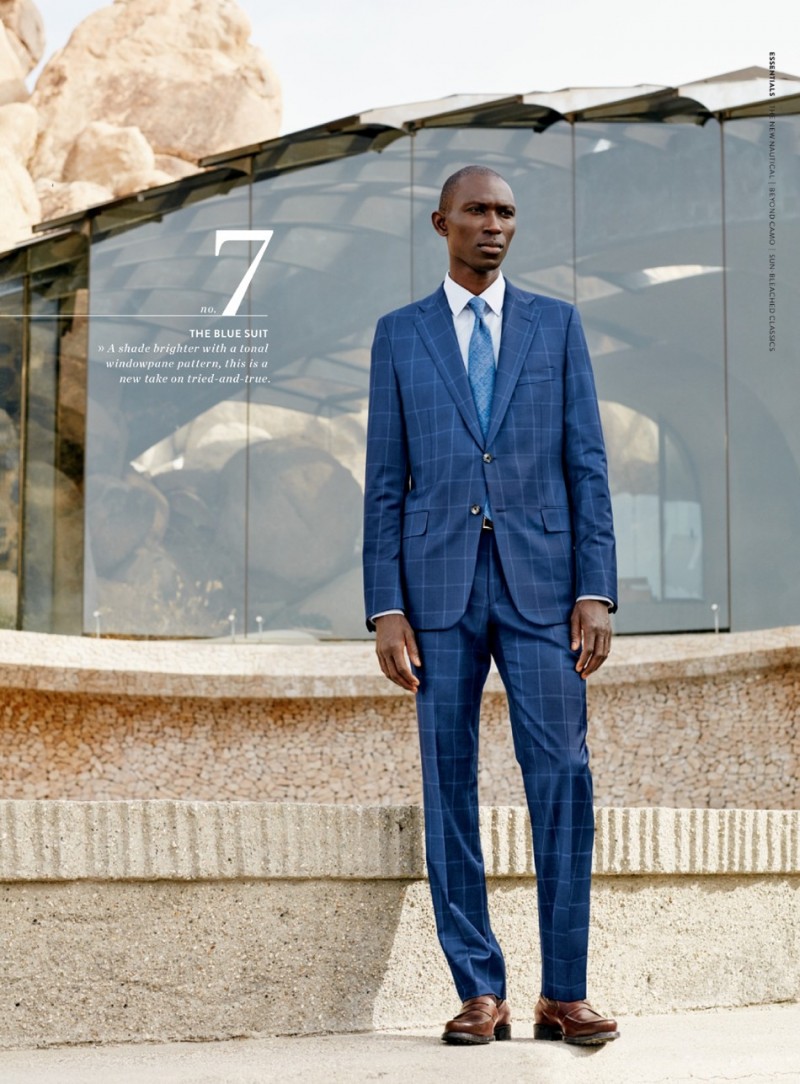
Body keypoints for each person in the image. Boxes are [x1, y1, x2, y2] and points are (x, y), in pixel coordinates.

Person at [362, 165, 619, 1047]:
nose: (494, 225)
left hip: (546, 591)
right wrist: (384, 606)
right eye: (477, 211)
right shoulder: (399, 336)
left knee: (565, 779)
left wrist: (595, 588)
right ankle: (480, 990)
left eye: (506, 212)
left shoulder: (557, 326)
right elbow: (384, 483)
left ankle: (565, 989)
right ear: (442, 222)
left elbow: (586, 464)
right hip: (434, 596)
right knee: (448, 787)